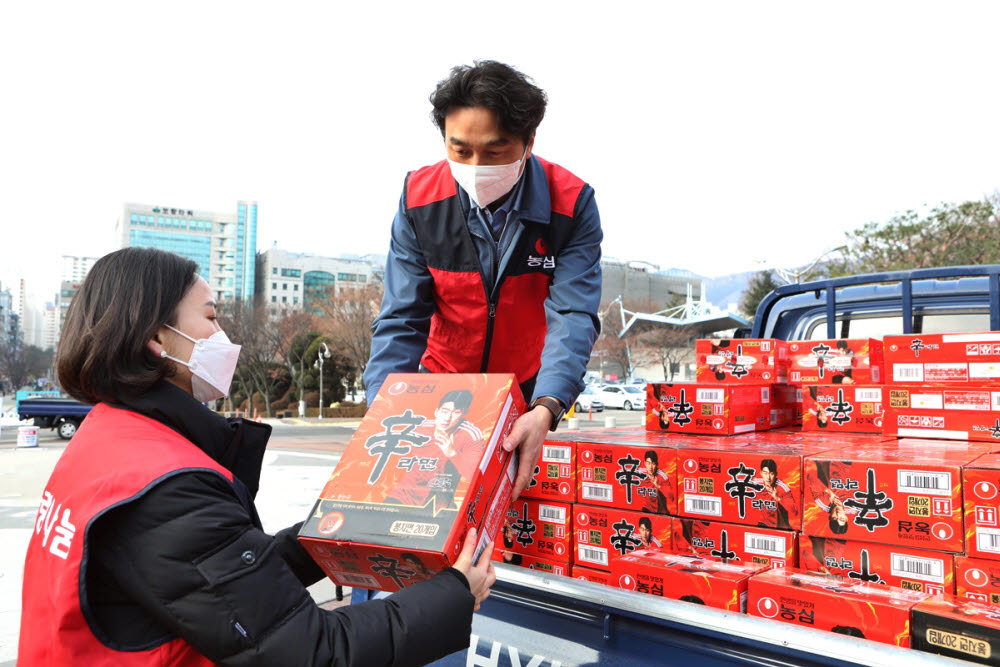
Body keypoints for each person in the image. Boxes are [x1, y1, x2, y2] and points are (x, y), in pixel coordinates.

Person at [19, 247, 494, 666]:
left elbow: (221, 585)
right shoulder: (167, 485)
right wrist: (453, 593)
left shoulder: (110, 439)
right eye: (210, 317)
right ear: (158, 339)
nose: (223, 334)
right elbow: (310, 651)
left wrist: (337, 530)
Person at [363, 60, 603, 499]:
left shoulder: (570, 204)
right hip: (441, 390)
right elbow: (401, 317)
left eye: (494, 153)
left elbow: (573, 313)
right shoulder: (420, 199)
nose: (476, 166)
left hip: (525, 392)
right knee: (428, 511)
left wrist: (547, 405)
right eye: (460, 150)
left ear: (529, 143)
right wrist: (383, 408)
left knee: (516, 516)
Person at [755, 458, 799, 530]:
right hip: (764, 523)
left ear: (775, 474)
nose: (768, 477)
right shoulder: (756, 484)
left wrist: (778, 498)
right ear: (761, 473)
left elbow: (794, 511)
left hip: (780, 526)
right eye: (765, 473)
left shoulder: (782, 488)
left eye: (771, 473)